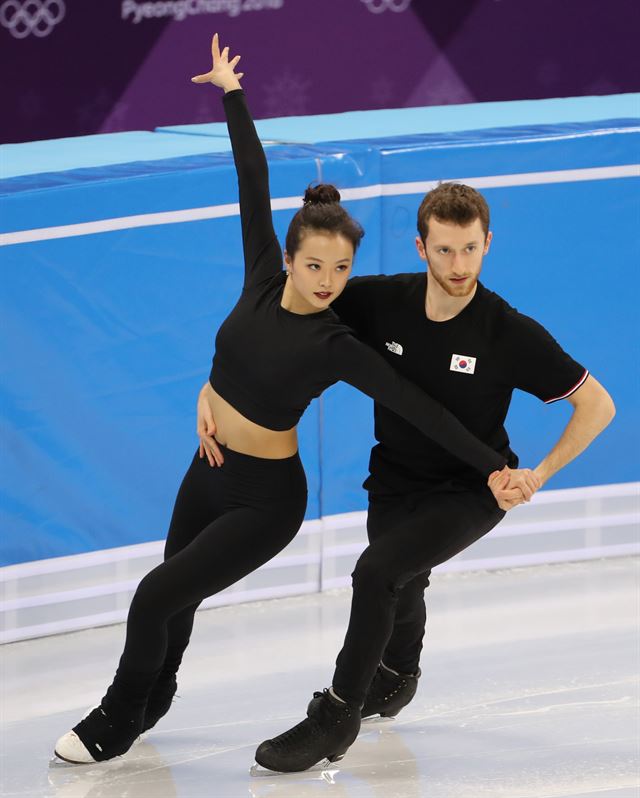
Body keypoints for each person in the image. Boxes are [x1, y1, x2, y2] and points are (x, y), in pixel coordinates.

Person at [53, 36, 531, 765]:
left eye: (341, 268)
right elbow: (252, 177)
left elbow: (418, 405)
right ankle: (153, 699)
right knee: (173, 602)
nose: (328, 280)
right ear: (287, 257)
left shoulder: (337, 344)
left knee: (152, 596)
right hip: (207, 467)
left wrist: (492, 465)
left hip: (264, 500)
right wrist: (230, 93)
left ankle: (115, 717)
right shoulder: (259, 278)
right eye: (314, 264)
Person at [200, 182, 615, 771]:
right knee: (403, 580)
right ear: (420, 247)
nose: (458, 265)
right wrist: (215, 386)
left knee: (376, 574)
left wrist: (535, 475)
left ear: (488, 243)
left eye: (470, 249)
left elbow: (598, 405)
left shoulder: (507, 332)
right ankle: (395, 678)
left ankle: (335, 716)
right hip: (393, 478)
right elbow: (278, 318)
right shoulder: (379, 303)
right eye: (444, 250)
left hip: (474, 488)